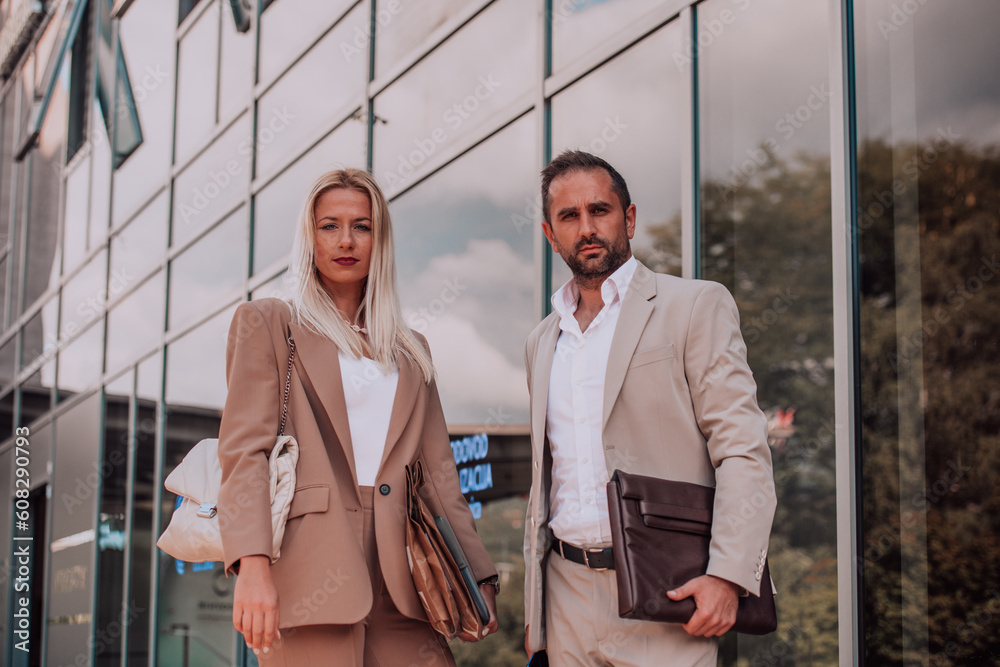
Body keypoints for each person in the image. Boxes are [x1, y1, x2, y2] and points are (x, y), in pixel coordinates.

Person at [217, 168, 499, 665]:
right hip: (309, 571)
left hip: (407, 579)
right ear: (309, 237)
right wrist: (251, 565)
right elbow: (246, 452)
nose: (346, 240)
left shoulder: (412, 351)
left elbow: (437, 475)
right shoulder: (268, 323)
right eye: (329, 226)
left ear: (380, 240)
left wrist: (476, 574)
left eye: (362, 226)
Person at [522, 151, 776, 666]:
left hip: (668, 593)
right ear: (551, 234)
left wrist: (728, 574)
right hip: (565, 595)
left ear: (629, 218)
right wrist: (536, 616)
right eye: (569, 217)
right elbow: (546, 480)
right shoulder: (541, 341)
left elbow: (742, 451)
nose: (587, 227)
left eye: (600, 210)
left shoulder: (695, 306)